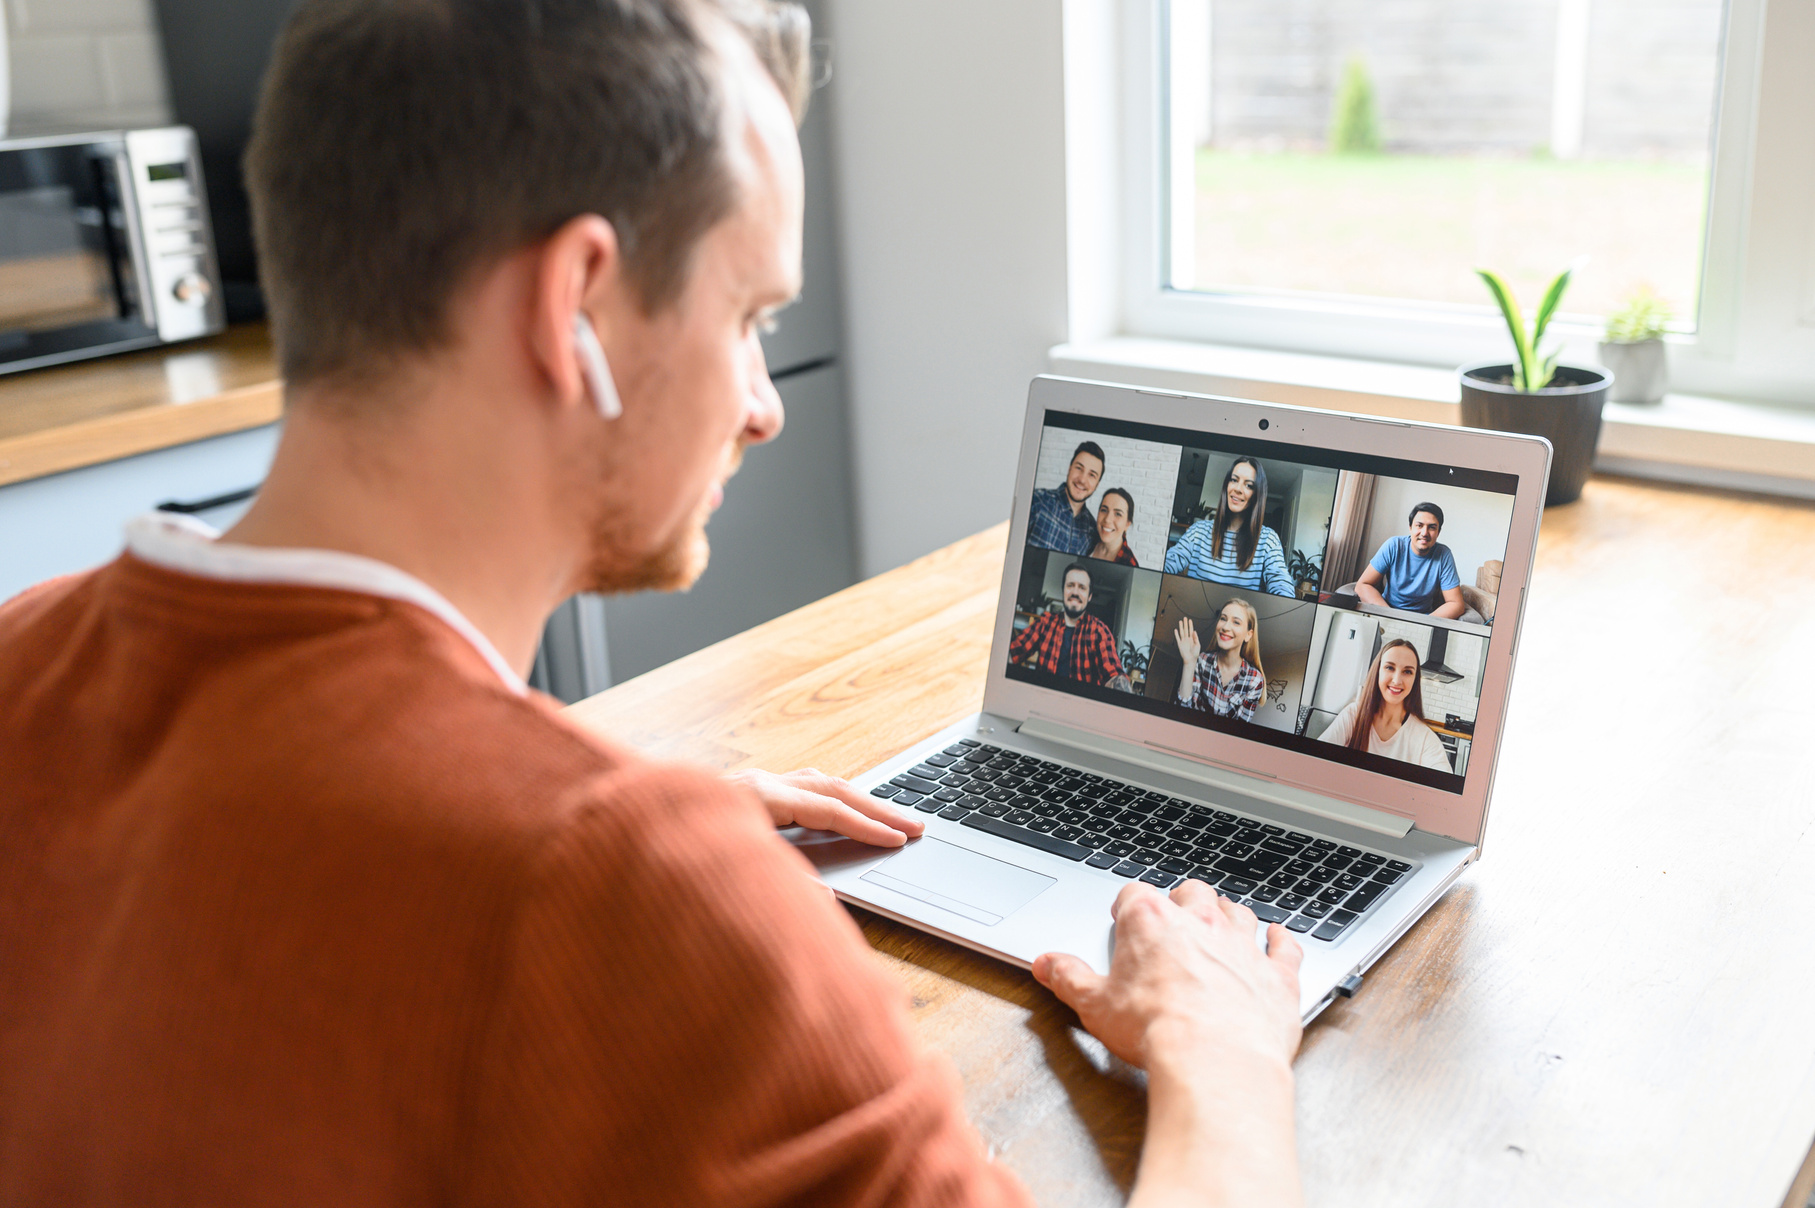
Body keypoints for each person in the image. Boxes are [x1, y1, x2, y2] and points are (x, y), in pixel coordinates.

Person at [0, 1, 1308, 1204]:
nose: (764, 404)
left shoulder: (24, 656)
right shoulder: (624, 894)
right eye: (748, 316)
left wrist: (563, 797)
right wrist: (1223, 1050)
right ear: (573, 306)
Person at [1164, 457, 1295, 597]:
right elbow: (1170, 561)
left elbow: (1281, 582)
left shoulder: (1268, 539)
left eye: (1248, 485)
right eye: (1234, 480)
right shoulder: (1198, 530)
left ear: (1257, 494)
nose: (1237, 489)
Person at [1315, 638, 1452, 770]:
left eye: (1407, 672)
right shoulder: (1353, 715)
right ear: (1378, 671)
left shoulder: (1425, 738)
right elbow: (1315, 761)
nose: (1397, 680)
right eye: (1390, 667)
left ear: (1415, 680)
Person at [1009, 562, 1133, 690]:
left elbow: (1114, 674)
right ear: (1063, 590)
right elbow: (1013, 652)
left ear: (1089, 596)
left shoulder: (1099, 631)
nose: (1075, 592)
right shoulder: (1044, 623)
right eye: (1070, 585)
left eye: (1082, 587)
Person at [1356, 502, 1466, 619]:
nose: (1424, 533)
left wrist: (1423, 623)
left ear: (1438, 532)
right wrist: (1389, 616)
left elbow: (1456, 604)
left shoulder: (1444, 555)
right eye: (1419, 525)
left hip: (1423, 619)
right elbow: (1362, 585)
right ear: (1410, 528)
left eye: (1432, 527)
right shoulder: (1394, 546)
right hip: (1387, 612)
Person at [1173, 598, 1266, 721]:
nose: (1225, 627)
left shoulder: (1255, 680)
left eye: (1236, 622)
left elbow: (1239, 728)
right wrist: (1189, 664)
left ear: (1248, 634)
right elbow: (1183, 713)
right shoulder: (1202, 661)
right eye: (1223, 618)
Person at [1027, 440, 1104, 556]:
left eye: (1092, 475)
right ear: (1069, 468)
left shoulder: (1091, 531)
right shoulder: (1037, 501)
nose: (1082, 480)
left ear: (1097, 484)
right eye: (1079, 468)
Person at [1088, 485, 1140, 566]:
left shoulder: (1129, 564)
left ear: (1127, 524)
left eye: (1118, 514)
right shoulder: (1088, 539)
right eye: (1104, 510)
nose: (1107, 519)